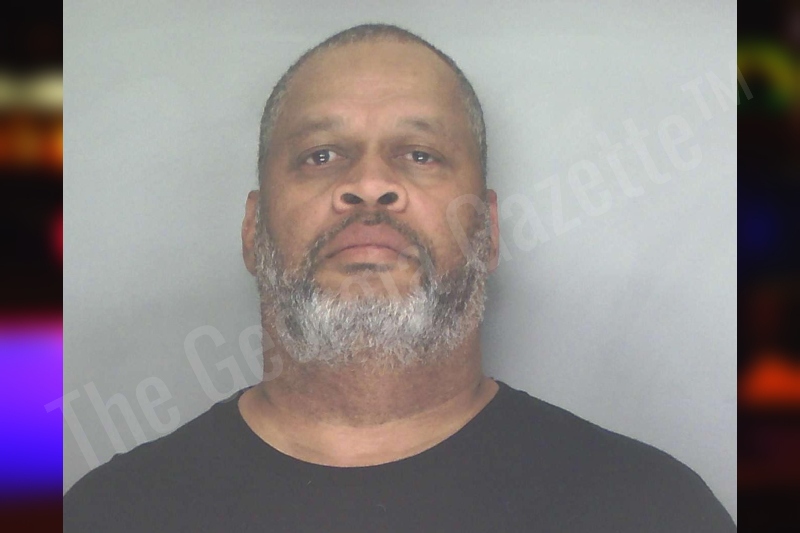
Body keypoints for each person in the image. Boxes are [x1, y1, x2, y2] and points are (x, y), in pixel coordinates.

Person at [63, 23, 735, 532]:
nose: (369, 183)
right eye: (321, 154)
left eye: (419, 154)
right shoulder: (110, 513)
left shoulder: (653, 509)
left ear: (489, 230)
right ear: (251, 228)